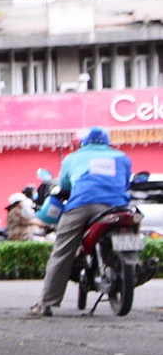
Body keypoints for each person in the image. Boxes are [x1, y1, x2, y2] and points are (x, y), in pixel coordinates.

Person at [30, 127, 134, 316]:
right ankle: (135, 263)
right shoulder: (122, 157)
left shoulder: (73, 157)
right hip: (118, 206)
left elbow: (65, 185)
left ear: (84, 142)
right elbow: (126, 183)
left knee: (62, 251)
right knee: (132, 227)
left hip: (83, 204)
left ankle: (47, 302)